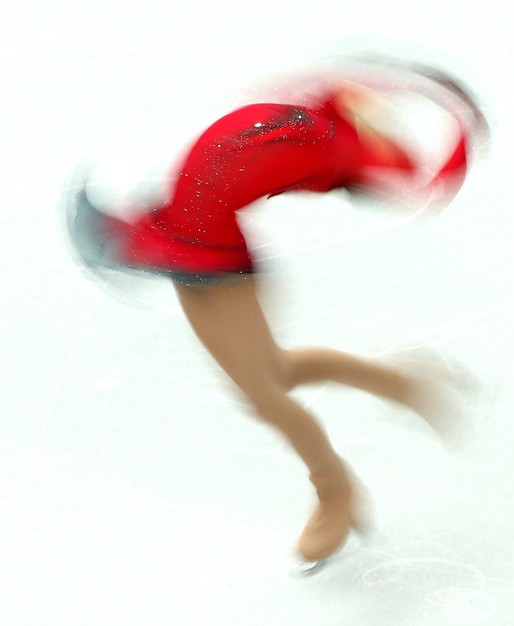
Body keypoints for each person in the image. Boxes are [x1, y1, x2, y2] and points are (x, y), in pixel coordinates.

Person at [68, 65, 486, 564]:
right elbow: (410, 171)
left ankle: (336, 490)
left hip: (207, 250)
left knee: (264, 393)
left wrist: (434, 109)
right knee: (273, 376)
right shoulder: (330, 134)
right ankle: (404, 383)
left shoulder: (327, 125)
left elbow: (405, 166)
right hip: (193, 237)